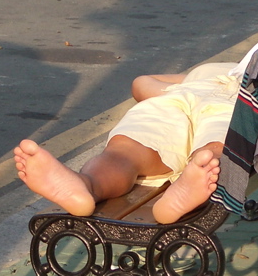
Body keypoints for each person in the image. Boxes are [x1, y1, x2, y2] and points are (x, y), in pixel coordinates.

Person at [14, 62, 241, 224]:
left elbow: (142, 83)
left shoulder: (244, 71)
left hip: (229, 102)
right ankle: (84, 186)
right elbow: (142, 84)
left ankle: (183, 193)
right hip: (178, 97)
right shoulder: (213, 70)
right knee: (126, 149)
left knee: (214, 149)